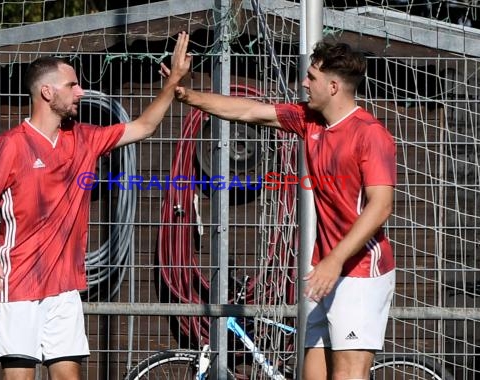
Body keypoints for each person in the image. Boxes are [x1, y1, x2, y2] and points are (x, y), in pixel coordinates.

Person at [163, 41, 396, 379]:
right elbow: (247, 111)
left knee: (348, 374)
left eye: (311, 77)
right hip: (325, 271)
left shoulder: (370, 134)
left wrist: (334, 260)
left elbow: (381, 207)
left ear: (333, 86)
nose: (304, 83)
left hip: (360, 272)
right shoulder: (309, 120)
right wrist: (185, 94)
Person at [0, 32, 191, 380]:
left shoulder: (85, 138)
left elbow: (144, 126)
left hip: (65, 288)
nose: (81, 91)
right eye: (72, 85)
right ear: (47, 92)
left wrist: (173, 81)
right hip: (20, 284)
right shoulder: (12, 145)